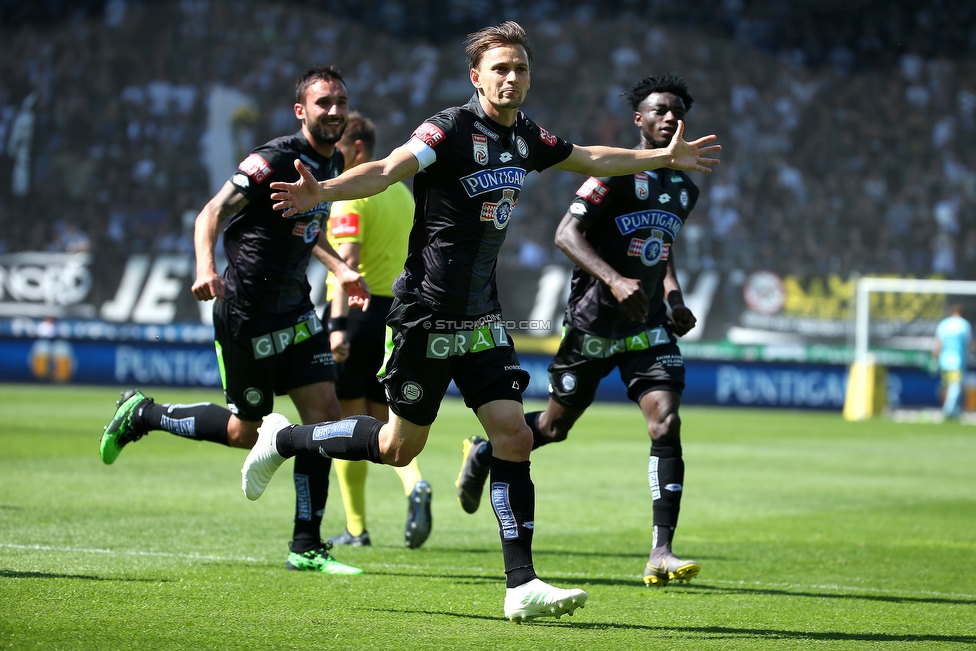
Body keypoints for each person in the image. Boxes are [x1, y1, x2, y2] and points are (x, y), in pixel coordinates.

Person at [244, 22, 720, 622]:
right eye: (500, 68)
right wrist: (325, 190)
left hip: (482, 315)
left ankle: (520, 584)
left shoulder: (525, 135)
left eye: (520, 68)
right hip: (426, 312)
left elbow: (590, 156)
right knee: (395, 446)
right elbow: (387, 169)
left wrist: (661, 156)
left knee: (514, 435)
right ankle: (281, 438)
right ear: (476, 76)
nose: (512, 77)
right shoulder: (447, 129)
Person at [99, 65, 370, 576]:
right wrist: (204, 267)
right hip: (246, 312)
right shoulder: (273, 159)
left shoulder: (330, 161)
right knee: (245, 432)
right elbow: (211, 213)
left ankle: (306, 545)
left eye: (340, 103)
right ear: (301, 110)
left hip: (295, 308)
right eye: (323, 103)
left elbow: (302, 229)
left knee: (325, 420)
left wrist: (341, 270)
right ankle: (144, 414)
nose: (334, 111)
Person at [455, 72, 706, 589]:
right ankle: (484, 451)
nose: (669, 119)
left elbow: (663, 244)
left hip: (648, 328)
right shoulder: (612, 173)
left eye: (677, 112)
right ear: (638, 120)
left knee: (666, 422)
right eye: (658, 110)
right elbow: (565, 234)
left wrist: (673, 298)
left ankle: (661, 550)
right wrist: (613, 280)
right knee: (550, 429)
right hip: (593, 323)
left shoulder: (685, 186)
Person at [324, 112, 432, 550]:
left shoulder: (353, 195)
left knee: (348, 423)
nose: (333, 156)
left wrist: (336, 327)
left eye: (339, 148)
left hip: (359, 312)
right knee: (387, 421)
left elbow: (347, 265)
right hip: (399, 313)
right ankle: (415, 485)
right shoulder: (402, 194)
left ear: (359, 149)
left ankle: (355, 528)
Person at [932, 304, 973, 420]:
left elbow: (937, 343)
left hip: (944, 360)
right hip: (958, 361)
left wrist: (935, 357)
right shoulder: (964, 325)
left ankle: (955, 411)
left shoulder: (944, 324)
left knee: (948, 386)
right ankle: (948, 411)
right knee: (955, 386)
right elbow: (969, 344)